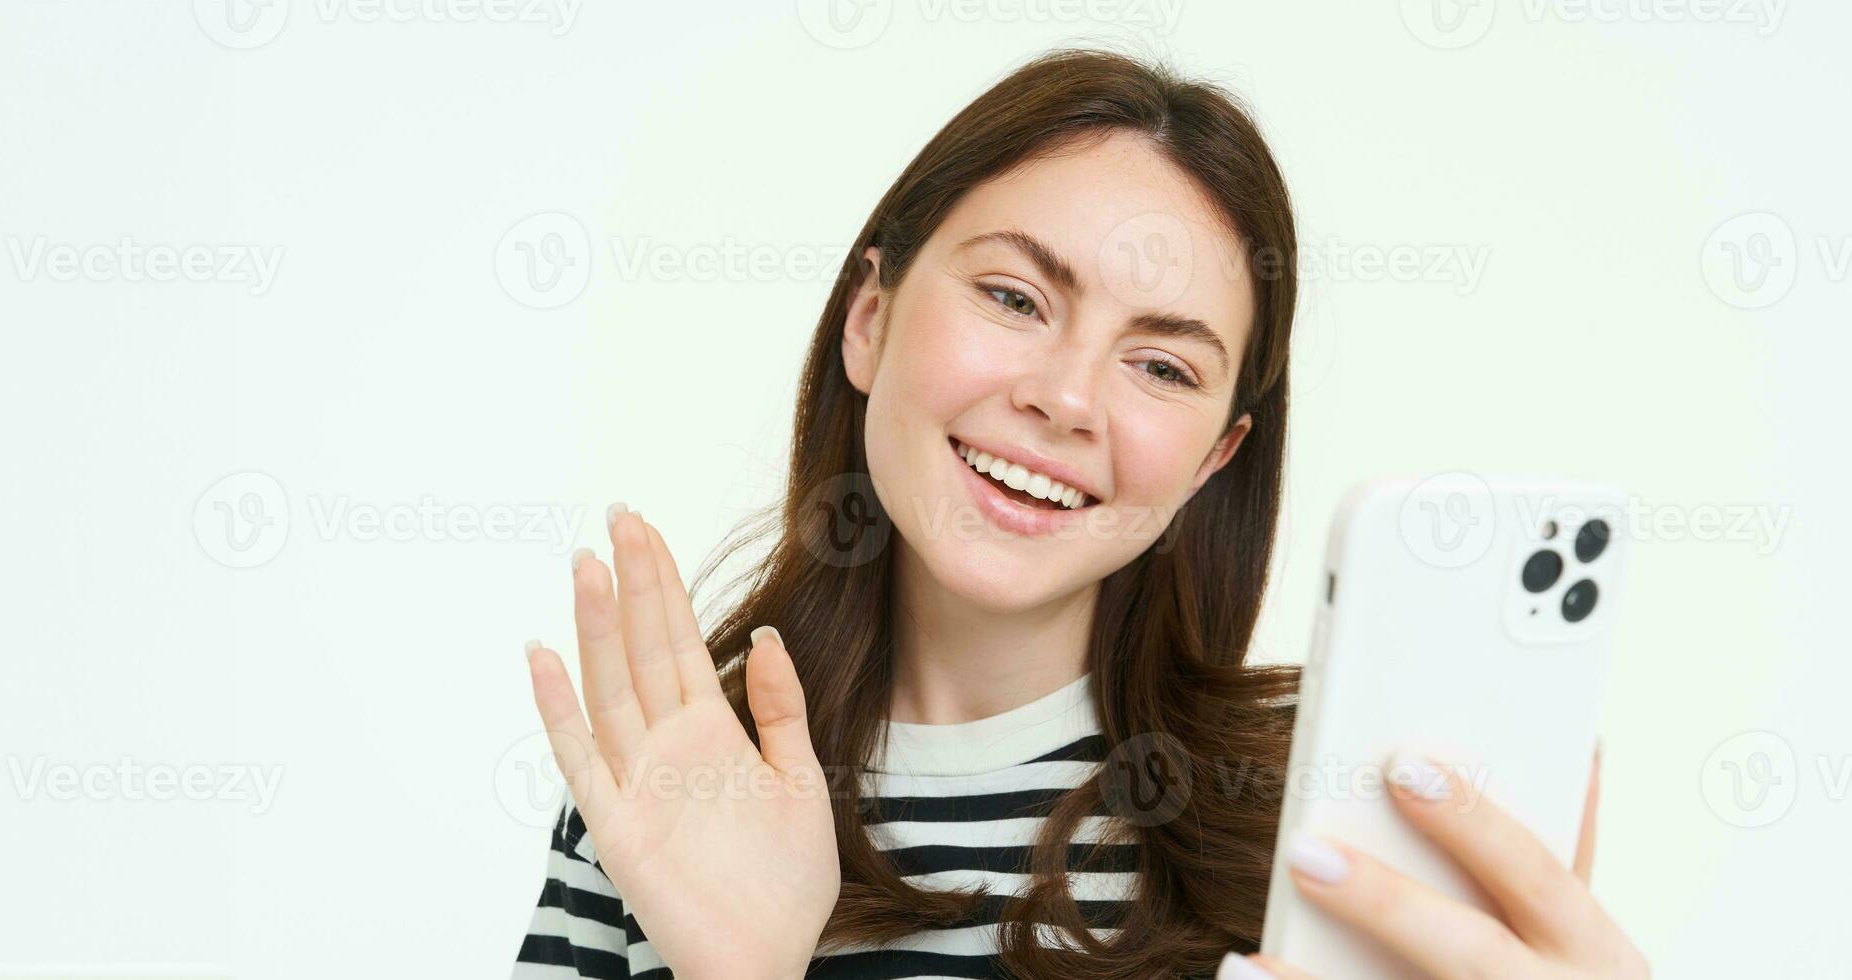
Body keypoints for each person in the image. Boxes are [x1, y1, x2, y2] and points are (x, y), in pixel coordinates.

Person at [511, 47, 1646, 980]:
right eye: (1013, 297)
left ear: (1214, 457)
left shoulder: (1326, 812)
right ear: (869, 316)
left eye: (1160, 366)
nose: (1062, 398)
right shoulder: (681, 769)